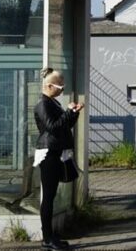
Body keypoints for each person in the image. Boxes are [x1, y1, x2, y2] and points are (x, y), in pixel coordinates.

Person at [34, 68, 84, 250]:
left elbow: (64, 126)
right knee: (47, 197)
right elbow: (53, 127)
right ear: (49, 86)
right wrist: (67, 113)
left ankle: (51, 235)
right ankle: (47, 238)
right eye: (59, 86)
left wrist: (73, 114)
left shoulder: (52, 102)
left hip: (56, 152)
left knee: (51, 196)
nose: (62, 90)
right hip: (48, 154)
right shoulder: (43, 104)